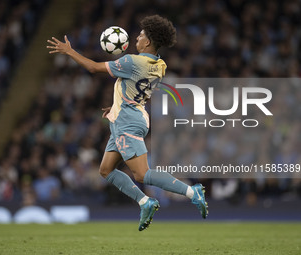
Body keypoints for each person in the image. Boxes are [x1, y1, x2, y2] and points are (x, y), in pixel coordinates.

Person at [47, 15, 208, 231]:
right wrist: (116, 105)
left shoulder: (132, 61)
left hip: (128, 121)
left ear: (148, 42)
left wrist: (70, 51)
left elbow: (94, 68)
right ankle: (145, 202)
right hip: (130, 116)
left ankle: (192, 192)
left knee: (142, 174)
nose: (137, 37)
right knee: (105, 170)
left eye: (141, 35)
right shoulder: (160, 65)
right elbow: (142, 93)